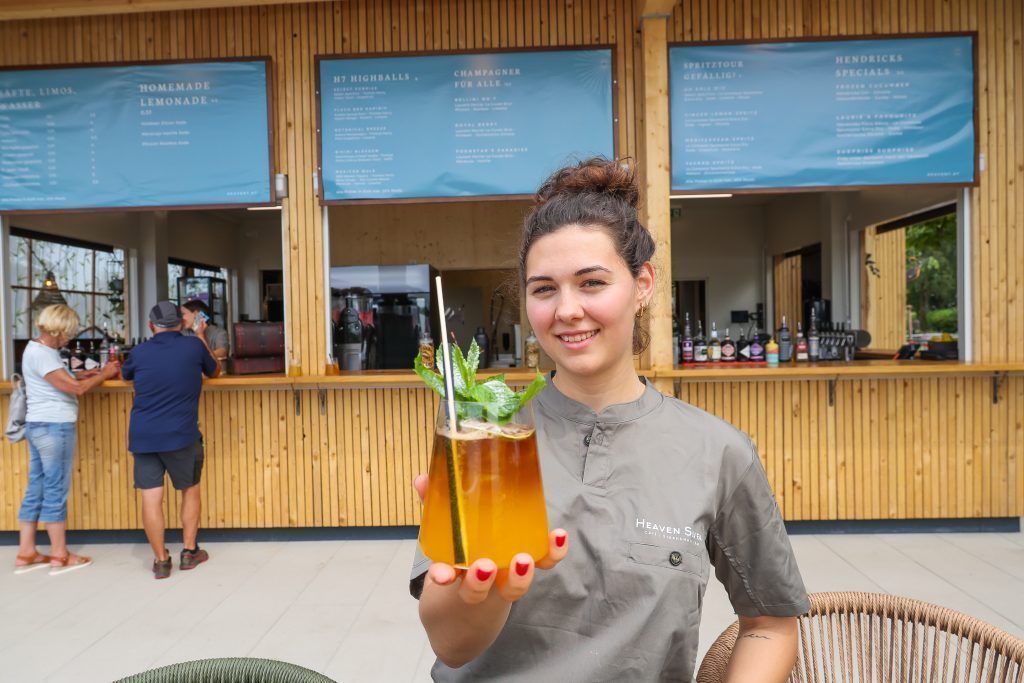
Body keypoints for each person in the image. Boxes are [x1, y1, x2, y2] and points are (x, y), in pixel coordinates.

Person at [410, 158, 810, 681]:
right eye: (544, 289)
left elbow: (770, 623)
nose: (567, 310)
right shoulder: (482, 432)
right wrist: (483, 589)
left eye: (592, 282)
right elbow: (452, 644)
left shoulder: (718, 452)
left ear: (642, 283)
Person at [14, 304, 121, 575]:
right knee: (55, 490)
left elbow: (61, 380)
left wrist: (86, 373)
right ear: (57, 329)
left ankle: (26, 552)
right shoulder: (44, 354)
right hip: (54, 427)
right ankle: (60, 555)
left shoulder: (37, 349)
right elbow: (75, 389)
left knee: (36, 488)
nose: (70, 339)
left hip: (38, 426)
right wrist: (105, 374)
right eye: (68, 333)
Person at [121, 301, 220, 579]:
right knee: (190, 489)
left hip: (143, 435)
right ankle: (189, 552)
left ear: (151, 326)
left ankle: (161, 560)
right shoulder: (193, 346)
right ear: (181, 322)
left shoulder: (139, 352)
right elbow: (215, 371)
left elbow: (125, 375)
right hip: (182, 434)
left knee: (151, 498)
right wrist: (199, 336)